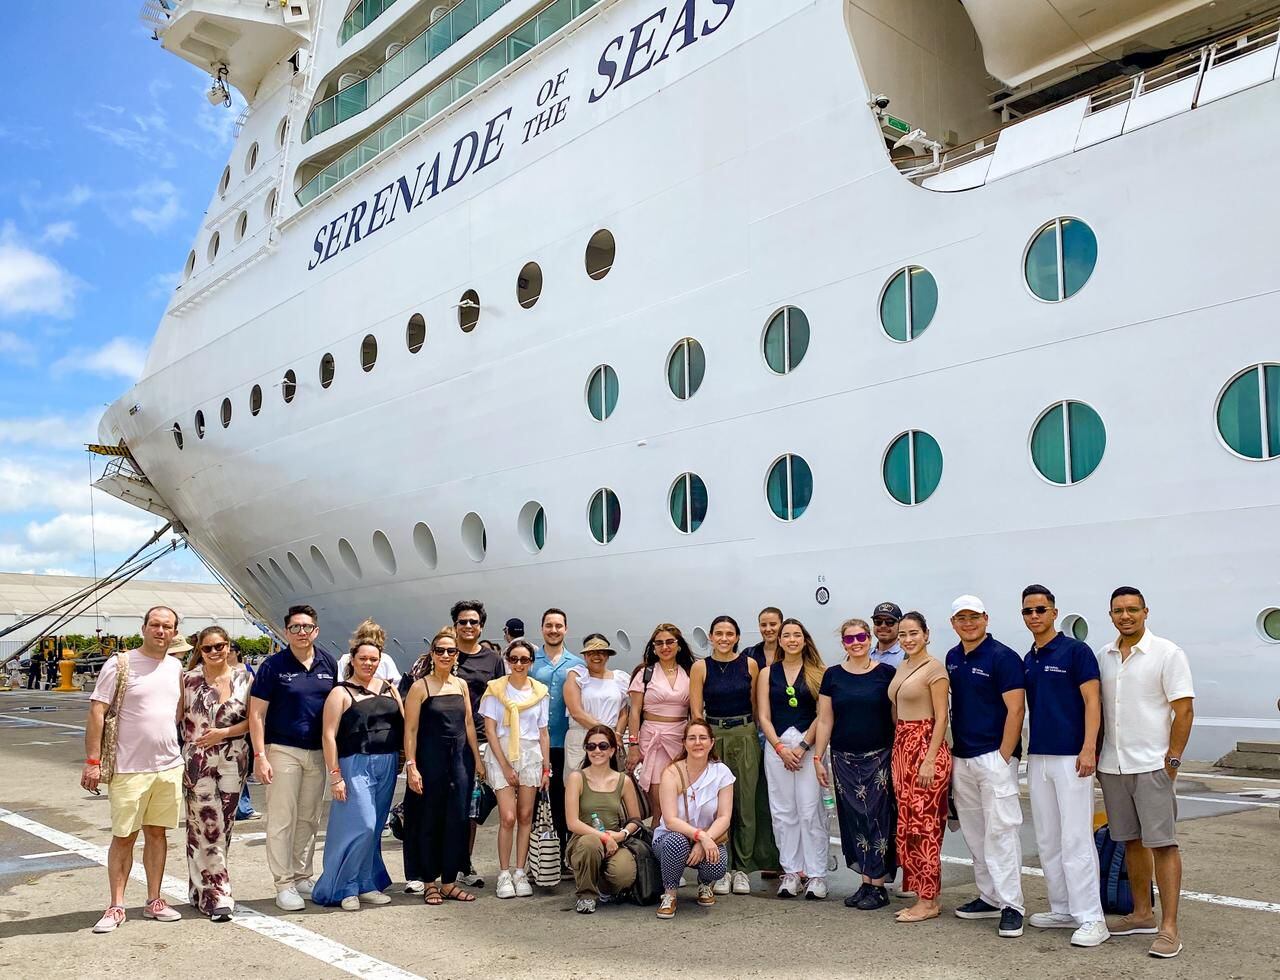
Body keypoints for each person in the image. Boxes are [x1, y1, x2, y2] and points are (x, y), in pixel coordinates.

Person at [1097, 587, 1194, 959]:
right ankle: (1141, 913)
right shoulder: (1104, 656)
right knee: (1131, 842)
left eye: (1132, 610)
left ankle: (1169, 928)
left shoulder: (1168, 654)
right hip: (1113, 765)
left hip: (1152, 765)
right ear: (1110, 615)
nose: (1126, 616)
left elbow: (1183, 710)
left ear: (1145, 612)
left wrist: (1172, 759)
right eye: (1119, 610)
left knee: (1164, 844)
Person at [81, 606, 185, 934]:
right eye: (155, 625)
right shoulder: (120, 663)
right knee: (124, 837)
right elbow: (98, 711)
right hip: (128, 768)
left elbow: (179, 713)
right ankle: (116, 905)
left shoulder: (176, 666)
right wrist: (93, 762)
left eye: (167, 626)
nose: (160, 631)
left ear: (174, 632)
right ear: (143, 628)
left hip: (168, 766)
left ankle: (154, 900)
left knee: (157, 834)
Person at [1019, 585, 1109, 947]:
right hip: (1039, 755)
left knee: (1075, 838)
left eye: (1041, 609)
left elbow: (1093, 702)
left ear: (1054, 612)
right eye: (1028, 611)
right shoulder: (1030, 658)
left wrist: (1089, 749)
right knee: (1048, 837)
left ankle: (1092, 917)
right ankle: (1062, 907)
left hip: (1072, 756)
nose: (1035, 616)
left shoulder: (1076, 651)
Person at [946, 595, 1027, 938]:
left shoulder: (1003, 657)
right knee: (975, 832)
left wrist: (1004, 755)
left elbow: (1016, 709)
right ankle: (989, 896)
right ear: (953, 623)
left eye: (974, 617)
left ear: (986, 618)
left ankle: (1012, 905)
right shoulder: (952, 657)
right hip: (962, 757)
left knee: (1001, 832)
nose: (968, 623)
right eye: (961, 618)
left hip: (993, 757)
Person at [248, 604, 337, 911]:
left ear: (316, 631)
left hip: (316, 752)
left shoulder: (329, 663)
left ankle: (301, 875)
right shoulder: (273, 666)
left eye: (307, 627)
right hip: (283, 749)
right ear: (286, 632)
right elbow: (256, 714)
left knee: (309, 817)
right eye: (296, 627)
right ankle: (283, 883)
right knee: (282, 818)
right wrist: (260, 755)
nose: (302, 632)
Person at [312, 620, 404, 910]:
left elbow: (403, 725)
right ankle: (343, 887)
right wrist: (335, 775)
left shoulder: (389, 688)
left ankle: (367, 883)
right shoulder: (340, 693)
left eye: (373, 659)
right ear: (352, 660)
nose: (368, 663)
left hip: (387, 763)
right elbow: (328, 735)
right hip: (355, 764)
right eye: (363, 659)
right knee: (359, 825)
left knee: (375, 827)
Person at [689, 614, 778, 895]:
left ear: (737, 637)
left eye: (730, 633)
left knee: (746, 802)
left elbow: (754, 706)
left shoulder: (749, 664)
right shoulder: (700, 668)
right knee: (717, 805)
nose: (724, 638)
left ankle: (743, 868)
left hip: (744, 733)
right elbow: (695, 711)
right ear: (711, 637)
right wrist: (703, 743)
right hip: (714, 736)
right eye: (719, 633)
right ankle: (722, 868)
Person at [813, 618, 897, 910]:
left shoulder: (886, 673)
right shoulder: (833, 676)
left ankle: (879, 885)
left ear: (870, 638)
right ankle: (865, 881)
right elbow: (825, 719)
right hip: (843, 757)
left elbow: (897, 717)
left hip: (879, 756)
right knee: (854, 819)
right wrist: (818, 756)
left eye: (861, 636)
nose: (856, 642)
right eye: (850, 639)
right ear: (843, 644)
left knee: (878, 818)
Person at [403, 627, 483, 904]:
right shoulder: (420, 686)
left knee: (457, 819)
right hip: (430, 760)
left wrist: (478, 759)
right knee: (429, 819)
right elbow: (410, 730)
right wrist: (412, 766)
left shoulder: (460, 685)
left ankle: (449, 880)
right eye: (441, 651)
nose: (446, 655)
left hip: (460, 759)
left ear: (457, 654)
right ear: (432, 654)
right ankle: (429, 881)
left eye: (451, 650)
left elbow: (469, 724)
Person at [179, 626, 253, 921]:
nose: (214, 652)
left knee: (225, 825)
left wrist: (223, 732)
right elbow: (172, 718)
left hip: (234, 759)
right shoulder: (188, 681)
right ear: (200, 650)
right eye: (207, 648)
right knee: (206, 824)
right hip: (198, 762)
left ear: (228, 646)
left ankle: (198, 890)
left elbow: (253, 721)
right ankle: (218, 894)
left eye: (219, 646)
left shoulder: (245, 678)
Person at [758, 618, 829, 899]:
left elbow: (822, 715)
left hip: (807, 746)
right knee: (783, 810)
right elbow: (763, 715)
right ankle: (790, 871)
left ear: (805, 639)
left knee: (811, 810)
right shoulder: (767, 673)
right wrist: (779, 747)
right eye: (786, 635)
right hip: (777, 748)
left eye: (796, 635)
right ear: (780, 640)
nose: (791, 640)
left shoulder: (819, 673)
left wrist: (802, 745)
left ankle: (816, 874)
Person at [887, 611, 952, 923]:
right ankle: (924, 895)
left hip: (926, 748)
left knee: (925, 826)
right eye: (903, 634)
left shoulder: (934, 669)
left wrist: (929, 758)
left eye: (913, 633)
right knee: (909, 824)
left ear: (927, 634)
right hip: (903, 748)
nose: (908, 639)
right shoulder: (904, 665)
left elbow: (942, 717)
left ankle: (928, 901)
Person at [480, 639, 550, 898]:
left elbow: (543, 732)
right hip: (502, 753)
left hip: (531, 754)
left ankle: (521, 871)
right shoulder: (495, 690)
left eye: (524, 659)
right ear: (507, 661)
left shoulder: (540, 692)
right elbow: (489, 730)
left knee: (525, 817)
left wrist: (546, 768)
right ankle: (503, 873)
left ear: (531, 662)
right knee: (507, 817)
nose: (519, 664)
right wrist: (506, 765)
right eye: (514, 659)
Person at [653, 720, 735, 919]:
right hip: (671, 837)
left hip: (709, 835)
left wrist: (705, 840)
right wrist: (699, 836)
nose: (697, 743)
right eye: (692, 738)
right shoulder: (672, 772)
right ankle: (670, 893)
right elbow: (670, 820)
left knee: (716, 865)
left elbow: (724, 817)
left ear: (712, 742)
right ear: (684, 743)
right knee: (676, 842)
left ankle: (705, 884)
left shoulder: (721, 772)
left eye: (703, 738)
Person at [452, 599, 505, 887]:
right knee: (448, 802)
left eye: (473, 622)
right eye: (463, 622)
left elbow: (500, 699)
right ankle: (443, 861)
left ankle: (464, 862)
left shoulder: (492, 660)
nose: (468, 626)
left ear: (481, 626)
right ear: (455, 626)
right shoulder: (445, 654)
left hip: (482, 739)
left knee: (473, 806)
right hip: (448, 738)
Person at [565, 725, 645, 913]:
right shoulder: (577, 778)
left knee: (624, 874)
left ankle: (604, 885)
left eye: (602, 746)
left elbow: (636, 819)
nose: (597, 751)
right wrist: (604, 838)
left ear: (612, 750)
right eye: (591, 746)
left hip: (615, 840)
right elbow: (572, 822)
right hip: (584, 839)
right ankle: (586, 895)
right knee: (590, 844)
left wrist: (621, 835)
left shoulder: (623, 780)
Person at [530, 608, 584, 867]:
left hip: (565, 742)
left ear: (566, 629)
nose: (554, 630)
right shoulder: (530, 661)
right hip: (534, 743)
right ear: (542, 628)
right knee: (535, 802)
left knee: (565, 799)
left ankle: (564, 854)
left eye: (558, 626)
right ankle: (538, 854)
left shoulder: (577, 664)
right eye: (549, 625)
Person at [627, 624, 695, 824]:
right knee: (659, 802)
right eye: (659, 643)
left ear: (679, 645)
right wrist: (633, 744)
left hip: (680, 739)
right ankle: (657, 849)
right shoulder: (645, 673)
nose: (665, 647)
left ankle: (677, 847)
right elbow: (635, 711)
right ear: (654, 647)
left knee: (680, 798)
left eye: (669, 642)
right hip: (653, 739)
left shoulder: (690, 672)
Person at [564, 634, 629, 771]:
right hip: (582, 737)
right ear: (585, 656)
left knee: (609, 784)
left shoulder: (620, 678)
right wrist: (606, 734)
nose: (596, 656)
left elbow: (623, 712)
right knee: (578, 783)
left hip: (611, 740)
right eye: (591, 653)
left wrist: (617, 735)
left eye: (601, 652)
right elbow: (576, 712)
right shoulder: (576, 675)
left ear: (607, 655)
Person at [230, 641, 261, 821]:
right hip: (226, 726)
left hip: (244, 724)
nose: (227, 653)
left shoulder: (246, 671)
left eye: (232, 650)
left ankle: (243, 808)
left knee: (241, 769)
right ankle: (240, 808)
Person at [871, 602, 906, 668]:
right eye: (878, 621)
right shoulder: (864, 655)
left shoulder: (908, 657)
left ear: (900, 625)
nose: (883, 626)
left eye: (889, 622)